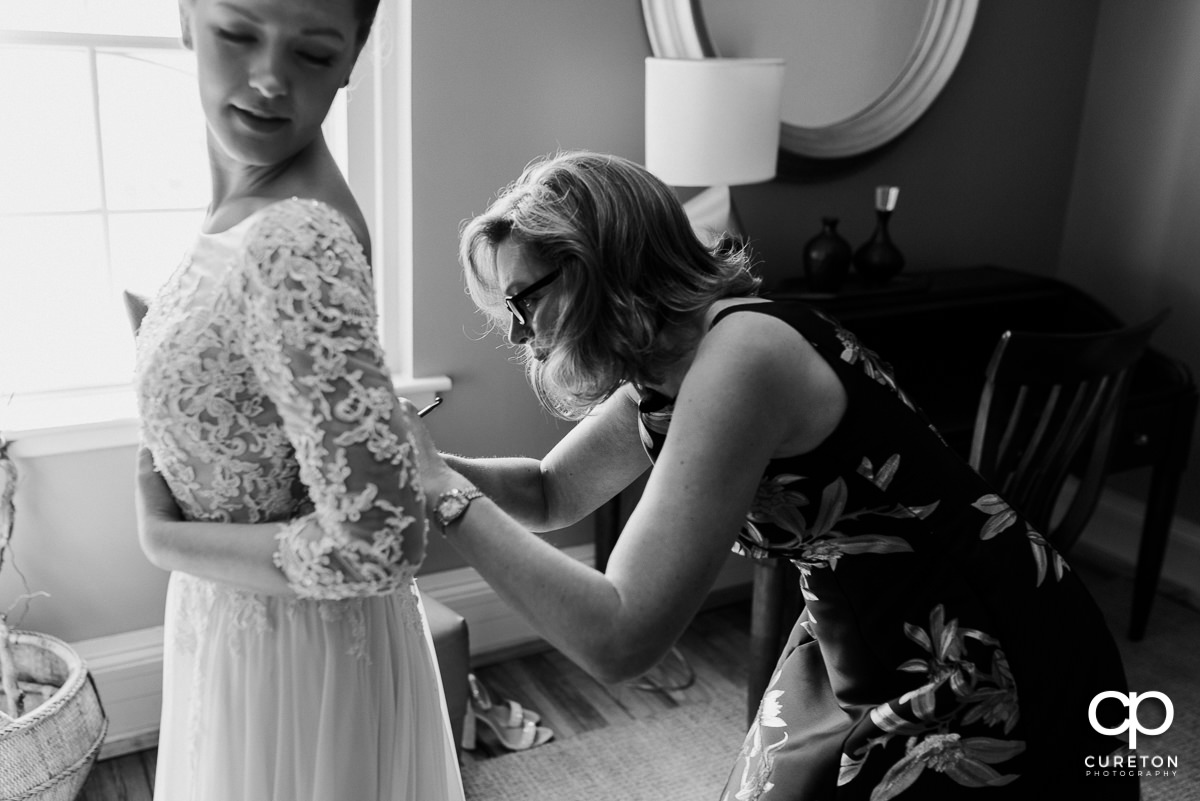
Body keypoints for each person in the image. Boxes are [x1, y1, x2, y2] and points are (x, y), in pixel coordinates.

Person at [138, 149, 1134, 799]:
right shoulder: (669, 363)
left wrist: (442, 492)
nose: (525, 336)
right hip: (858, 635)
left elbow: (621, 636)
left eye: (531, 299)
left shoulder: (738, 361)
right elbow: (549, 487)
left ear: (604, 258)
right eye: (511, 316)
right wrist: (405, 461)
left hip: (984, 646)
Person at [130, 1, 464, 798]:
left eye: (313, 54)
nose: (270, 80)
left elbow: (378, 541)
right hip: (243, 623)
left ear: (353, 58)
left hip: (291, 655)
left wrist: (161, 540)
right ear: (185, 16)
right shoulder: (244, 200)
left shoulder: (297, 236)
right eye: (238, 34)